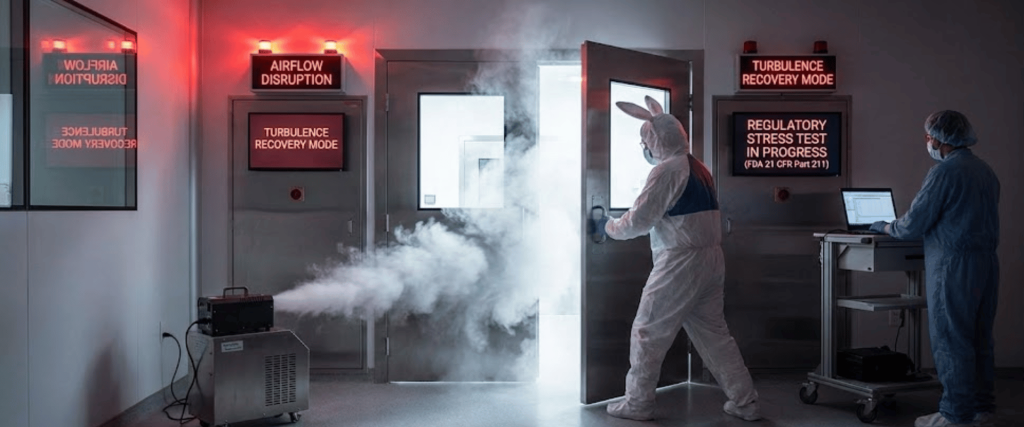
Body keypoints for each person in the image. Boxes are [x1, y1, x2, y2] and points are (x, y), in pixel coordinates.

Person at [594, 96, 760, 421]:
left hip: (681, 263)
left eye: (646, 141)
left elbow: (639, 221)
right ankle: (745, 401)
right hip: (711, 260)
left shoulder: (666, 170)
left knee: (647, 331)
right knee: (714, 335)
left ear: (657, 139)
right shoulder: (698, 167)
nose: (645, 147)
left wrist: (608, 227)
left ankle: (638, 403)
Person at [869, 110, 1000, 427]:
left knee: (952, 340)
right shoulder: (984, 170)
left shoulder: (944, 172)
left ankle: (956, 414)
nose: (927, 141)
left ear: (941, 139)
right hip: (985, 264)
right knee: (979, 338)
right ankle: (981, 409)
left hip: (954, 266)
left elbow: (913, 224)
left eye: (929, 136)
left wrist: (884, 226)